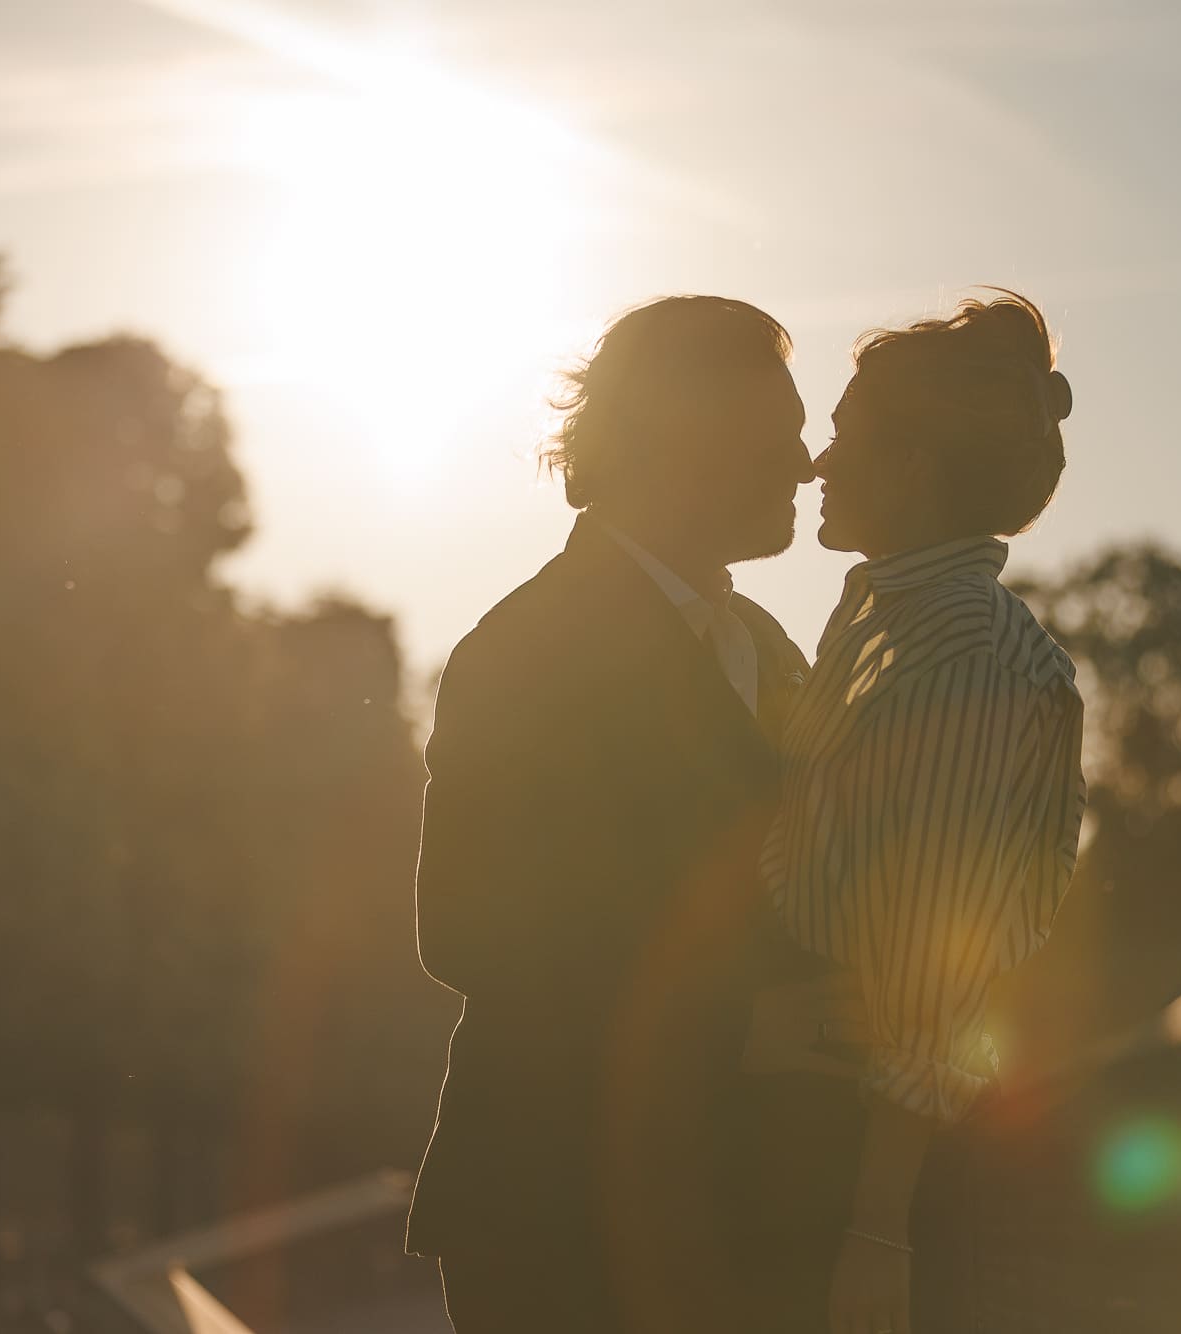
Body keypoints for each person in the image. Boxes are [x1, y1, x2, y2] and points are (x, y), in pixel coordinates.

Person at [404, 295, 864, 1331]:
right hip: (559, 1212)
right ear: (689, 435)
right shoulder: (524, 648)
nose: (804, 465)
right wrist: (746, 1023)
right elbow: (469, 926)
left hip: (737, 1215)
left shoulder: (767, 644)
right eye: (781, 433)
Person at [757, 289, 1089, 1334]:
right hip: (824, 1144)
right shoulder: (884, 627)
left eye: (844, 433)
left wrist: (873, 1234)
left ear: (909, 469)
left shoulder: (961, 651)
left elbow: (922, 985)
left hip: (869, 1177)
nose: (817, 460)